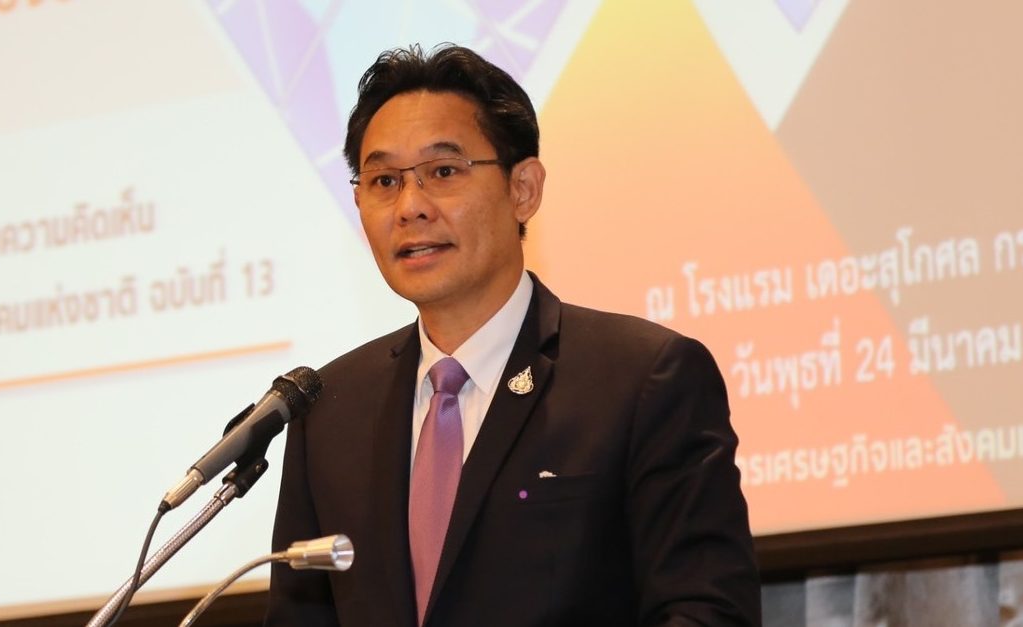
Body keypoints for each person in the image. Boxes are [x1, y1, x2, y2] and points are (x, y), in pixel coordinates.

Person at [265, 44, 761, 626]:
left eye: (443, 172)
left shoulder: (643, 380)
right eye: (384, 181)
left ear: (523, 188)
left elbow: (707, 613)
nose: (410, 206)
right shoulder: (330, 413)